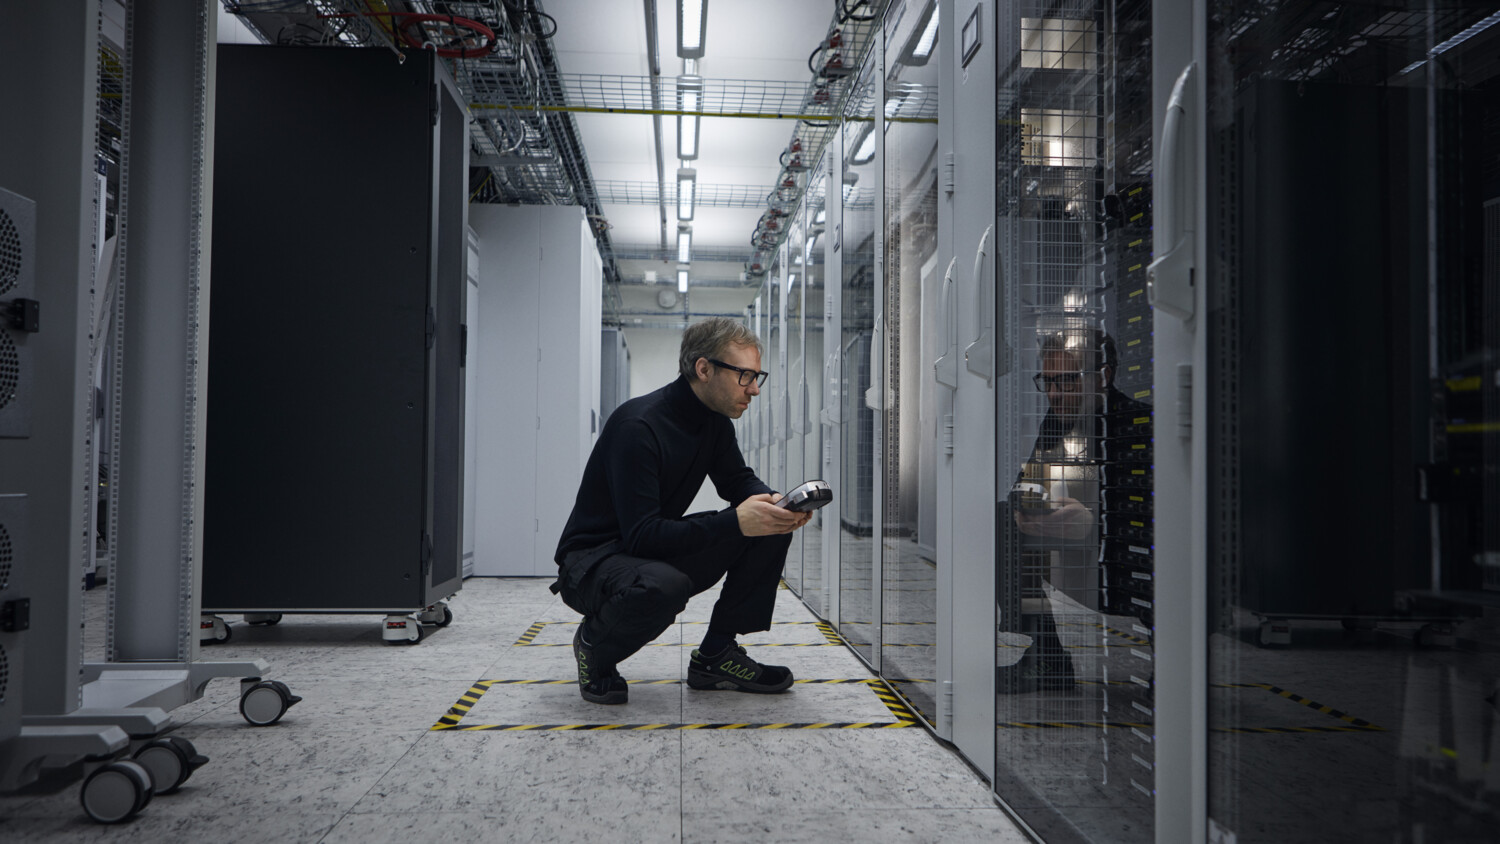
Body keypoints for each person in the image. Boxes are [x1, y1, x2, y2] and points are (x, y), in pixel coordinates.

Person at [551, 317, 812, 704]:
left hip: (644, 548)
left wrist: (774, 503)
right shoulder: (638, 426)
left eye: (757, 377)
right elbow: (642, 535)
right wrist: (736, 521)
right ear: (704, 369)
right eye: (744, 375)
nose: (754, 389)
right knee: (663, 586)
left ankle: (716, 655)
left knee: (768, 527)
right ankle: (595, 648)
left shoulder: (714, 423)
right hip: (592, 564)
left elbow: (738, 480)